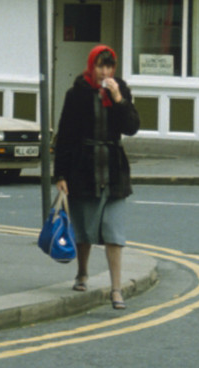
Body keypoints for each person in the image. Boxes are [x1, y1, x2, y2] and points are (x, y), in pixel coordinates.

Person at [54, 44, 140, 309]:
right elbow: (65, 135)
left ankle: (116, 289)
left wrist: (118, 99)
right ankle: (82, 272)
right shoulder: (77, 94)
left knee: (114, 232)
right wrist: (60, 174)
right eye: (100, 66)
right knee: (85, 229)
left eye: (109, 66)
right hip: (84, 166)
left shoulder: (120, 90)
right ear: (92, 67)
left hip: (113, 168)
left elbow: (132, 127)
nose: (105, 72)